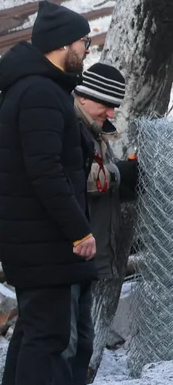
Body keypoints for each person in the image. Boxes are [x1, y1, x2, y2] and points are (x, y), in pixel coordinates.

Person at [0, 1, 98, 385]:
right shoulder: (39, 92)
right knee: (47, 336)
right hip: (44, 240)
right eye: (84, 42)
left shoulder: (38, 87)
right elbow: (45, 172)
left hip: (36, 238)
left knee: (36, 332)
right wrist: (78, 231)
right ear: (62, 44)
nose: (87, 50)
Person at [77, 64, 137, 283]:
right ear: (84, 97)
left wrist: (129, 183)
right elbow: (78, 177)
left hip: (91, 257)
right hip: (76, 257)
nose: (112, 113)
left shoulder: (94, 129)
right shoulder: (71, 128)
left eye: (115, 106)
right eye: (107, 104)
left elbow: (100, 180)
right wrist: (120, 174)